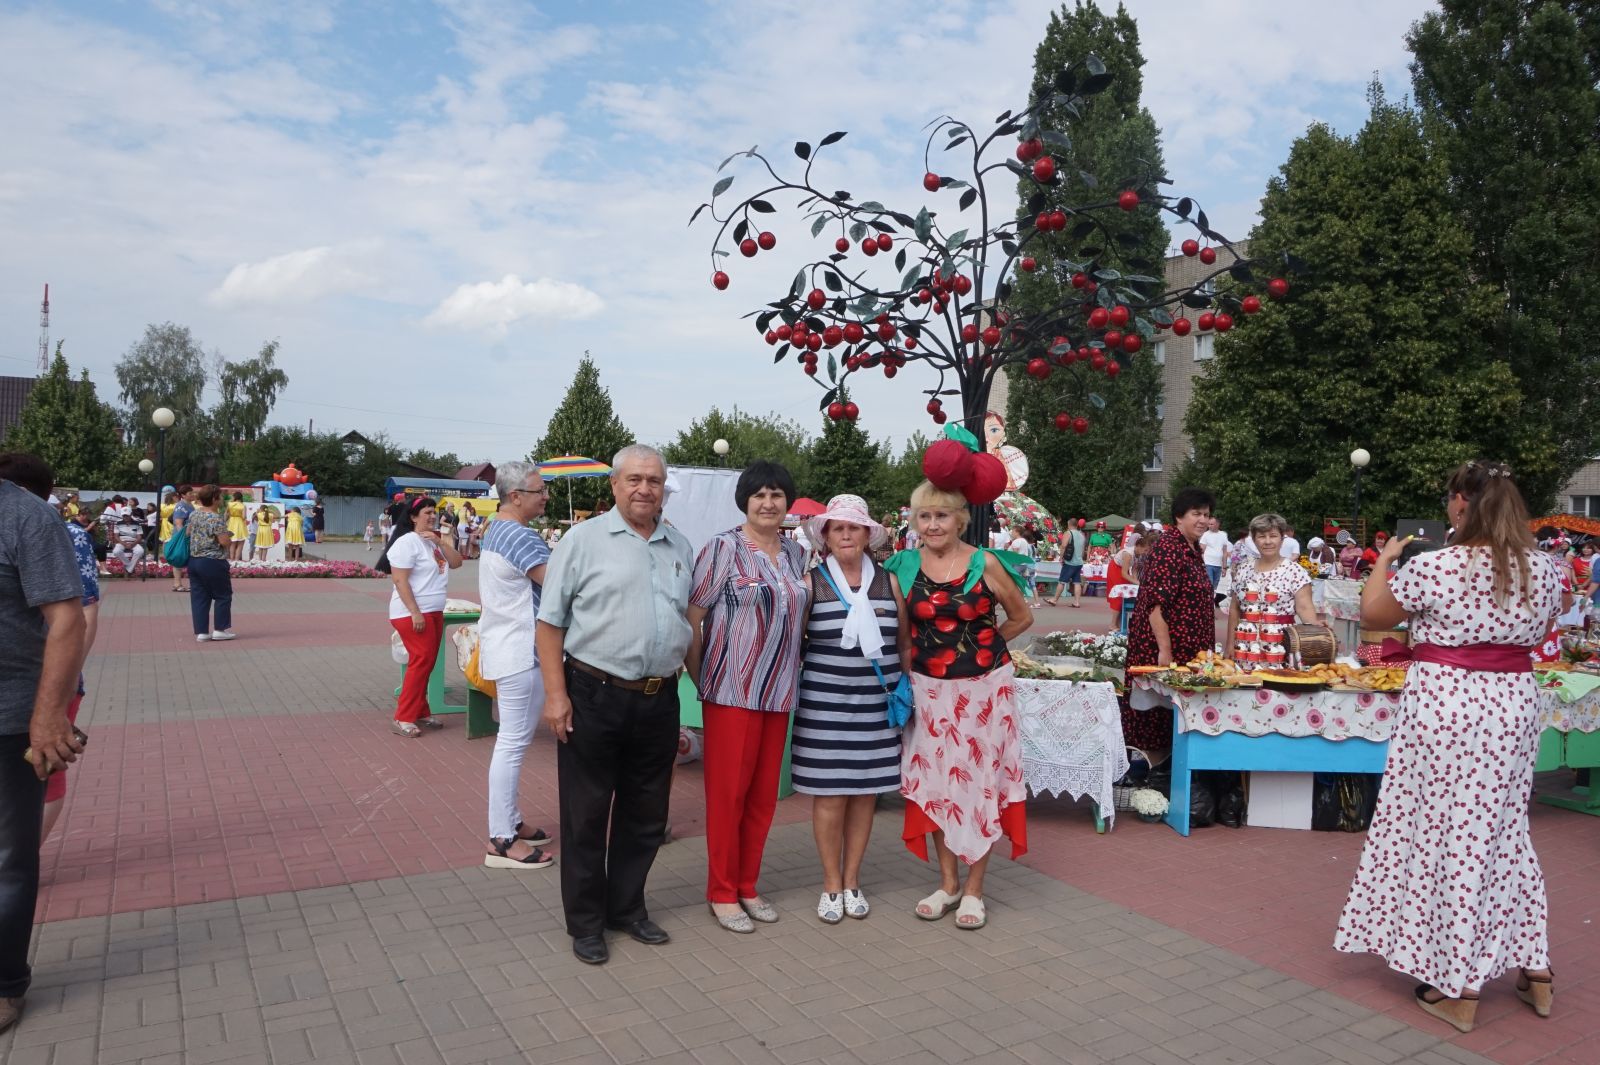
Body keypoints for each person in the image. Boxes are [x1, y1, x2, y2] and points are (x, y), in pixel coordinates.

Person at [1335, 461, 1562, 1032]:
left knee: (1448, 830)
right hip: (1513, 704)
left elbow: (1375, 618)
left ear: (1463, 503)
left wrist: (1386, 559)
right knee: (1506, 829)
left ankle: (1456, 981)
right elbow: (1539, 627)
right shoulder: (1549, 570)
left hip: (1447, 705)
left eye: (1449, 499)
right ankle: (1535, 967)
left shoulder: (1437, 566)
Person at [535, 445, 692, 966]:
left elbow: (685, 623)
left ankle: (626, 908)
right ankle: (586, 923)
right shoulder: (582, 541)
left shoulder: (679, 546)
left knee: (646, 815)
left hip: (658, 697)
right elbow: (550, 624)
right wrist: (556, 696)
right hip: (593, 694)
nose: (645, 488)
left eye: (654, 480)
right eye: (635, 479)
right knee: (586, 815)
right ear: (615, 485)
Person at [886, 480, 1033, 931]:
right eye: (924, 516)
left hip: (984, 691)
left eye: (941, 515)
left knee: (979, 784)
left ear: (960, 519)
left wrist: (983, 648)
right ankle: (947, 884)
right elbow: (905, 637)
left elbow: (1022, 615)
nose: (932, 524)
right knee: (935, 785)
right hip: (929, 692)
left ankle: (974, 890)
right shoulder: (902, 566)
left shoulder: (983, 562)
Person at [684, 462, 809, 933]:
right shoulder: (722, 549)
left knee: (762, 797)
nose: (768, 503)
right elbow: (692, 619)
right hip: (731, 692)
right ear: (745, 500)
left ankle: (748, 884)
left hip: (778, 691)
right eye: (759, 494)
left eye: (777, 494)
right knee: (727, 796)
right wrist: (704, 680)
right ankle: (721, 891)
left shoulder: (797, 555)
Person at [790, 495, 909, 924]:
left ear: (867, 535)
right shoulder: (811, 583)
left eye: (853, 527)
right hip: (824, 709)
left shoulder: (889, 583)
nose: (845, 533)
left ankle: (853, 879)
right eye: (837, 527)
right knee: (830, 797)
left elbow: (904, 645)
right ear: (824, 535)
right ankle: (830, 884)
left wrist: (909, 691)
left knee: (864, 797)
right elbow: (794, 646)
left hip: (876, 708)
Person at [0, 470, 87, 1034]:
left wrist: (48, 716)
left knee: (7, 855)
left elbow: (67, 618)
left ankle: (4, 983)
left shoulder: (25, 516)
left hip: (8, 715)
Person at [479, 462, 555, 871]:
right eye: (538, 490)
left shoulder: (498, 530)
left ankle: (509, 822)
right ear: (514, 496)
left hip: (509, 647)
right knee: (512, 743)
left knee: (511, 741)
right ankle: (502, 839)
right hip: (522, 650)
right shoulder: (519, 535)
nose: (544, 497)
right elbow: (557, 582)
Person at [1123, 489, 1217, 752]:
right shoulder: (1169, 548)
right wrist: (1164, 649)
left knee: (1173, 714)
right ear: (1179, 516)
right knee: (1156, 713)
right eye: (1195, 514)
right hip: (1164, 651)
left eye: (1206, 515)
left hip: (1187, 652)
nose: (1202, 520)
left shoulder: (1191, 548)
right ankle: (1151, 770)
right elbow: (1155, 605)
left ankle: (1169, 767)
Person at [378, 496, 461, 737]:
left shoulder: (432, 542)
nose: (433, 516)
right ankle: (403, 717)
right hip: (412, 612)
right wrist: (415, 611)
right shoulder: (407, 543)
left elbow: (456, 563)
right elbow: (399, 580)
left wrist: (442, 542)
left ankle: (420, 711)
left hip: (434, 610)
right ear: (413, 517)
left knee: (427, 663)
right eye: (427, 512)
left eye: (434, 512)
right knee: (421, 661)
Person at [1221, 514, 1317, 657]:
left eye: (1273, 536)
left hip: (1280, 646)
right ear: (1253, 539)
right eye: (1261, 536)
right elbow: (1235, 608)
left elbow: (1305, 609)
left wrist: (1317, 630)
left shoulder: (1295, 572)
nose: (1267, 541)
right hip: (1244, 645)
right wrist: (1229, 644)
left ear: (1282, 538)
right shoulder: (1242, 570)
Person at [186, 485, 235, 642]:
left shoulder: (194, 514)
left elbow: (188, 532)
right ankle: (220, 629)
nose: (221, 500)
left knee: (199, 596)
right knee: (222, 595)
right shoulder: (216, 518)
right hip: (213, 561)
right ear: (214, 498)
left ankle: (202, 632)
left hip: (194, 560)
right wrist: (228, 537)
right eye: (220, 497)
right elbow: (224, 542)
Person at [1050, 518, 1087, 608]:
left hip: (1070, 561)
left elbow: (1063, 546)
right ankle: (1077, 602)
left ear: (1069, 524)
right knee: (1077, 582)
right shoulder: (1082, 535)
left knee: (1062, 581)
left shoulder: (1068, 533)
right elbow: (1083, 549)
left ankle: (1054, 600)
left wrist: (1061, 557)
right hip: (1079, 562)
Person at [110, 507, 148, 577]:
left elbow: (139, 536)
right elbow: (116, 536)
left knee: (140, 551)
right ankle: (130, 567)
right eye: (124, 515)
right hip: (121, 542)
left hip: (134, 542)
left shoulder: (137, 523)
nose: (125, 517)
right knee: (116, 551)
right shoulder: (117, 523)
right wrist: (124, 543)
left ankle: (128, 570)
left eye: (127, 515)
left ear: (131, 514)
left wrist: (133, 544)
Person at [1200, 517, 1230, 589]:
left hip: (1218, 565)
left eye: (1211, 524)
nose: (1209, 526)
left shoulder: (1223, 535)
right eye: (1209, 524)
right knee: (1209, 584)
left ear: (1217, 524)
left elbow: (1225, 552)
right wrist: (1201, 563)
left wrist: (1224, 567)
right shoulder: (1205, 534)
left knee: (1215, 586)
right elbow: (1201, 550)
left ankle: (1211, 599)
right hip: (1208, 563)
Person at [226, 493, 248, 561]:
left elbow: (226, 514)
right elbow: (244, 517)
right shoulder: (243, 506)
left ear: (234, 497)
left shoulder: (229, 504)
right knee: (240, 544)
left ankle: (231, 559)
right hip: (240, 524)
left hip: (231, 523)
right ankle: (236, 560)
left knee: (232, 543)